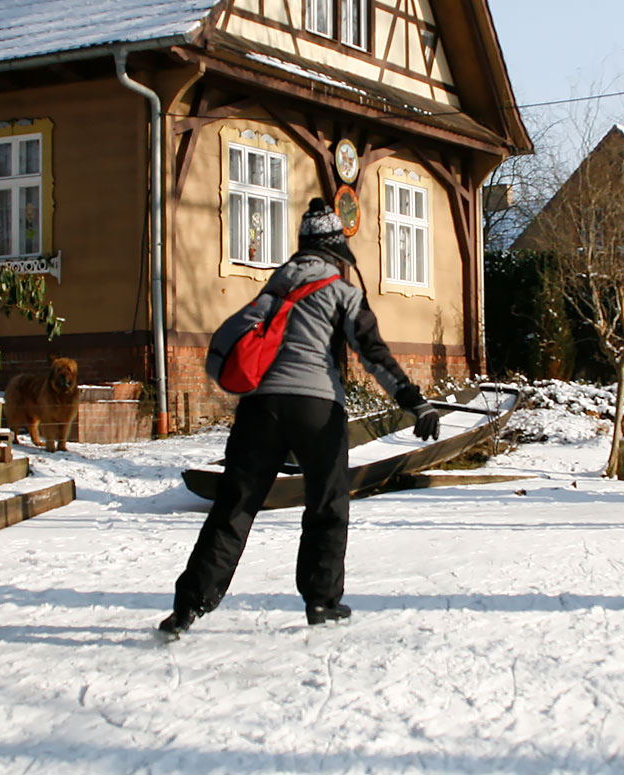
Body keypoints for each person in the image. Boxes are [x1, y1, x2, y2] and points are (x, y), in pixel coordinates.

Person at [160, 198, 440, 638]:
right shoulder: (343, 293)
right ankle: (321, 601)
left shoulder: (273, 290)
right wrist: (414, 402)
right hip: (318, 409)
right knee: (328, 504)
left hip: (261, 409)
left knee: (234, 508)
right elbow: (373, 355)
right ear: (335, 251)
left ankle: (188, 607)